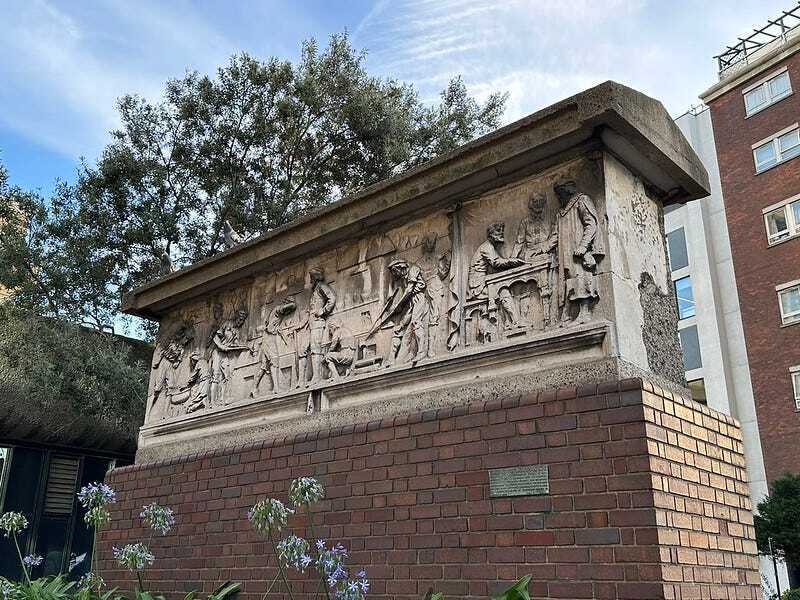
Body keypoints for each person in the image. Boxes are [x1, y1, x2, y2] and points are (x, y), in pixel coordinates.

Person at [553, 180, 605, 325]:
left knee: (581, 276)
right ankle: (569, 313)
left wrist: (583, 246)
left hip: (578, 249)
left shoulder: (581, 200)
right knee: (570, 279)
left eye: (560, 193)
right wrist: (543, 249)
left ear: (567, 190)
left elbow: (591, 224)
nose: (559, 197)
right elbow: (555, 234)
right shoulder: (561, 212)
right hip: (565, 251)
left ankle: (585, 312)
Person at [467, 222, 525, 327]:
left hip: (483, 281)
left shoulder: (490, 247)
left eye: (502, 231)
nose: (501, 233)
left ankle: (508, 323)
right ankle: (516, 322)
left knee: (503, 287)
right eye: (498, 231)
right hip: (478, 286)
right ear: (491, 234)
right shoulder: (486, 247)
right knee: (503, 291)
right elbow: (496, 262)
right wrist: (512, 261)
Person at [513, 193, 557, 325]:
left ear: (543, 204)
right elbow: (519, 242)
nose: (537, 204)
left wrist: (543, 248)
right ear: (531, 205)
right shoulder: (525, 222)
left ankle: (549, 318)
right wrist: (512, 259)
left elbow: (555, 236)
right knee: (524, 284)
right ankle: (523, 318)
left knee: (549, 284)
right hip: (529, 256)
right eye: (535, 202)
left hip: (546, 253)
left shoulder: (551, 219)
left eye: (540, 202)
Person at [296, 268, 336, 387]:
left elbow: (332, 298)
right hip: (311, 323)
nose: (310, 280)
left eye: (311, 277)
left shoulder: (321, 286)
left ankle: (317, 377)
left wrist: (322, 311)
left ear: (315, 277)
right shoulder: (315, 290)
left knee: (315, 348)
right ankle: (302, 380)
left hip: (318, 322)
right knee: (303, 349)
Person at [250, 296, 297, 397]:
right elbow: (293, 306)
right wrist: (291, 303)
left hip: (267, 338)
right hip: (269, 339)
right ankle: (276, 388)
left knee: (264, 366)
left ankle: (254, 387)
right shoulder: (278, 309)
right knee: (274, 362)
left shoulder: (275, 315)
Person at [209, 309, 249, 406]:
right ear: (236, 317)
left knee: (227, 376)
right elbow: (216, 337)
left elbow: (235, 345)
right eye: (240, 319)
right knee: (216, 376)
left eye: (243, 320)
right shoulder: (227, 323)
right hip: (218, 352)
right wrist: (221, 346)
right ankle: (212, 403)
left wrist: (244, 347)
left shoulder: (237, 331)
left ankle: (223, 400)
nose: (241, 322)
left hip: (226, 355)